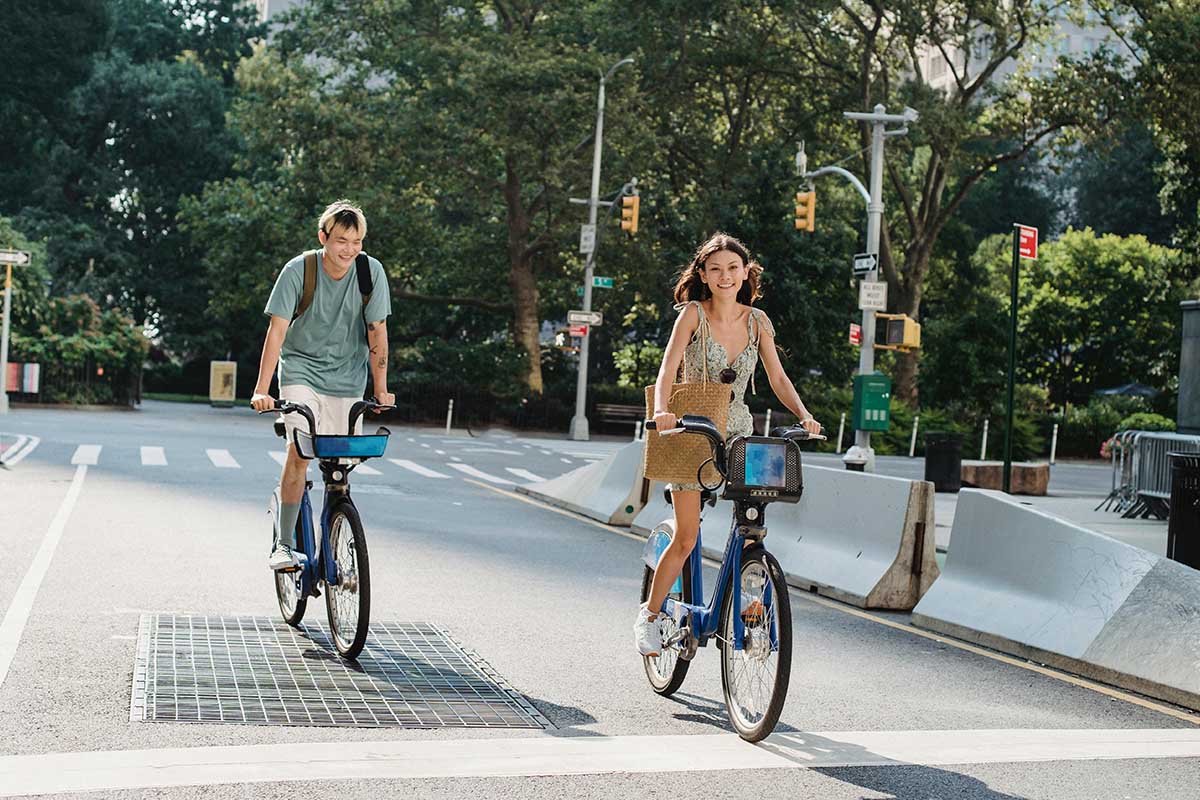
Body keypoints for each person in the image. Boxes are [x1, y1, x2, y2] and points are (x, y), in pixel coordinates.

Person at [635, 232, 821, 656]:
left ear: (744, 274)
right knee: (686, 537)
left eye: (732, 269)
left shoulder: (757, 321)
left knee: (751, 528)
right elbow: (668, 367)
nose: (725, 276)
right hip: (691, 430)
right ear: (703, 274)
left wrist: (804, 415)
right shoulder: (692, 315)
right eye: (715, 269)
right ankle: (648, 617)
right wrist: (663, 410)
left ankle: (752, 615)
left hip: (738, 431)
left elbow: (776, 377)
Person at [250, 200, 394, 570]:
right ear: (323, 237)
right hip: (302, 372)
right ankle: (283, 543)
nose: (349, 249)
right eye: (342, 240)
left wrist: (381, 389)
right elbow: (277, 331)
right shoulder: (300, 270)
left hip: (348, 377)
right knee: (300, 452)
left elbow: (378, 332)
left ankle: (335, 533)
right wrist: (262, 389)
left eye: (357, 241)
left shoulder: (370, 273)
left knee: (339, 466)